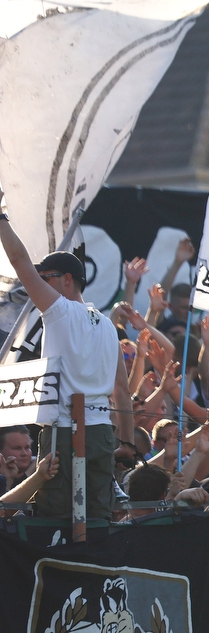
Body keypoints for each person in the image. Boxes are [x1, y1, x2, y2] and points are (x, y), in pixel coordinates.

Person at [0, 194, 134, 520]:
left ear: (67, 280)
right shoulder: (106, 326)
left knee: (56, 520)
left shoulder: (59, 312)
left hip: (65, 431)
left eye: (46, 279)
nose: (39, 284)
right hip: (102, 433)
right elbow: (122, 391)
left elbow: (19, 261)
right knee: (98, 520)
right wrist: (128, 444)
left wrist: (1, 220)